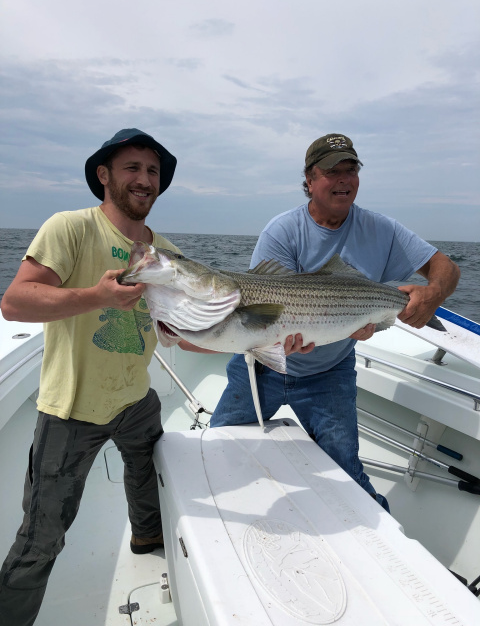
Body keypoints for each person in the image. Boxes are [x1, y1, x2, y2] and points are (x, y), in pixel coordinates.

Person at [210, 133, 460, 511]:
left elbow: (446, 267)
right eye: (332, 171)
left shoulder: (382, 230)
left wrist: (433, 294)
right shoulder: (282, 231)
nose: (344, 179)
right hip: (262, 369)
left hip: (330, 372)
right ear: (309, 180)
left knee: (346, 471)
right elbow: (266, 313)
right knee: (216, 447)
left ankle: (382, 535)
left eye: (351, 169)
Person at [0, 128, 184, 626]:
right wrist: (96, 296)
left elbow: (181, 331)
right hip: (72, 410)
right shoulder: (71, 228)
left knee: (148, 479)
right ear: (104, 175)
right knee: (41, 540)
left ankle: (147, 536)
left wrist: (265, 339)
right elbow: (15, 302)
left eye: (152, 171)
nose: (144, 179)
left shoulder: (164, 252)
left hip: (135, 399)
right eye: (132, 168)